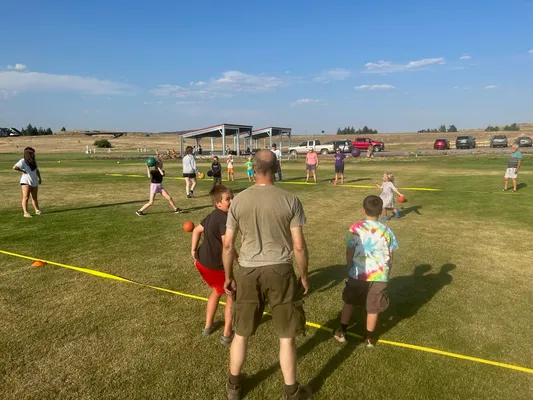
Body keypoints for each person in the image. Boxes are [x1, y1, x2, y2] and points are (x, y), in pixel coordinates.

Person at [222, 150, 311, 400]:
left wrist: (229, 276)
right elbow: (299, 246)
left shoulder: (238, 200)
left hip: (248, 271)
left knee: (241, 333)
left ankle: (234, 386)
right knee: (286, 335)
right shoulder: (290, 199)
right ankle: (291, 392)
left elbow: (228, 245)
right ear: (276, 167)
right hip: (280, 270)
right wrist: (303, 275)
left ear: (254, 168)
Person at [333, 195, 398, 347]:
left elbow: (349, 251)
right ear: (381, 211)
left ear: (363, 210)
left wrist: (349, 267)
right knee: (373, 307)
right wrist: (388, 271)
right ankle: (369, 337)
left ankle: (342, 331)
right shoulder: (387, 231)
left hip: (357, 273)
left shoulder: (355, 228)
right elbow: (390, 255)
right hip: (380, 275)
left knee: (350, 301)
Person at [191, 185, 236, 345]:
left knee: (216, 291)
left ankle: (208, 327)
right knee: (231, 294)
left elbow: (196, 230)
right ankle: (227, 334)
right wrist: (237, 260)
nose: (232, 200)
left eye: (232, 197)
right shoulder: (224, 218)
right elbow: (227, 245)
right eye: (228, 199)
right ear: (218, 203)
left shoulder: (211, 216)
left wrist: (193, 250)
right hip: (215, 267)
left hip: (201, 263)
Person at [12, 147, 42, 218]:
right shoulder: (22, 161)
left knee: (35, 197)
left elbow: (37, 170)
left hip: (34, 180)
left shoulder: (34, 161)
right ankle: (26, 212)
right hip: (25, 181)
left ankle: (37, 210)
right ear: (28, 154)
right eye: (32, 153)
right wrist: (22, 171)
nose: (34, 155)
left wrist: (39, 178)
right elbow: (14, 167)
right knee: (26, 197)